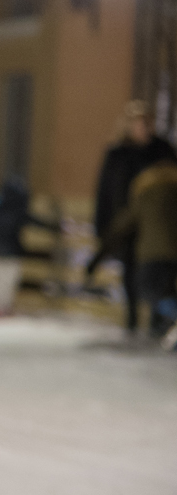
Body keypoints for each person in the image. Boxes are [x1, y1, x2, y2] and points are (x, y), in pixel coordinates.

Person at [93, 100, 177, 332]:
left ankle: (158, 323)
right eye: (138, 124)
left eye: (146, 124)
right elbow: (105, 192)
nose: (142, 129)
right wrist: (103, 226)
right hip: (127, 222)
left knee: (158, 276)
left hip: (156, 225)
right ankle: (132, 319)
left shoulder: (163, 151)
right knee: (131, 271)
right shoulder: (117, 154)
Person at [96, 158, 177, 343]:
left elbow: (124, 224)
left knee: (149, 291)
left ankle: (169, 323)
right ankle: (163, 333)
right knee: (164, 294)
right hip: (173, 256)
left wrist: (100, 253)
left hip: (152, 255)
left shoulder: (147, 193)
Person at [0, 177, 58, 316]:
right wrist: (53, 226)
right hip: (12, 251)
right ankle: (3, 308)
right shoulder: (18, 211)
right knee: (9, 280)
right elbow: (35, 221)